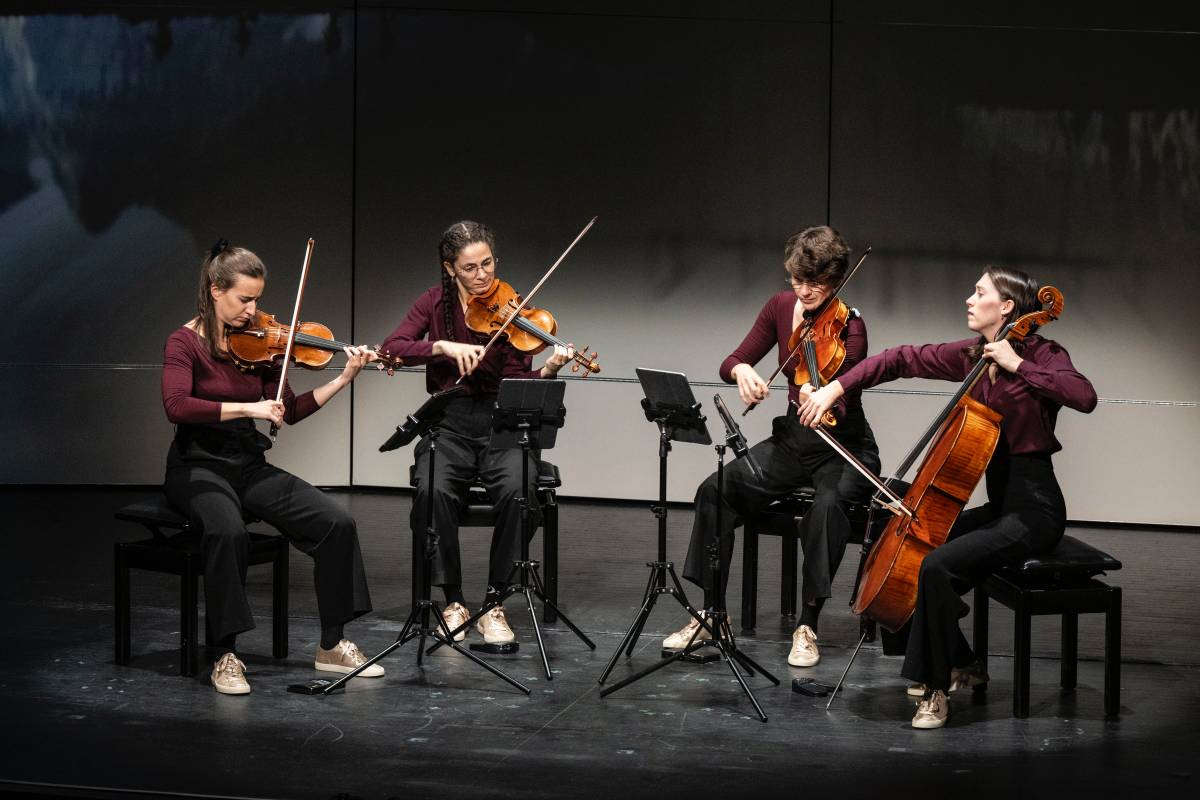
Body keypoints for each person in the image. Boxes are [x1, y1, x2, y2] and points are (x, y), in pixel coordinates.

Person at [799, 265, 1097, 729]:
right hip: (1000, 505)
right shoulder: (972, 356)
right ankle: (963, 663)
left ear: (1008, 307)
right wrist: (836, 386)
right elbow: (899, 358)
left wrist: (1019, 365)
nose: (969, 300)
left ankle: (935, 692)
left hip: (1035, 509)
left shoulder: (1045, 352)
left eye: (979, 293)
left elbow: (1084, 396)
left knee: (937, 567)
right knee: (909, 554)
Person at [162, 240, 382, 695]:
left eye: (257, 298)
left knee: (336, 522)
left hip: (246, 466)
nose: (253, 310)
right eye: (245, 298)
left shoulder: (259, 346)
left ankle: (331, 643)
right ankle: (224, 653)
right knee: (227, 532)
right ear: (216, 289)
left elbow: (291, 409)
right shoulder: (184, 342)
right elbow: (178, 406)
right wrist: (248, 408)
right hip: (197, 468)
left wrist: (343, 378)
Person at [662, 225, 881, 668]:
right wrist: (743, 370)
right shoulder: (782, 306)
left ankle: (808, 623)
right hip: (793, 440)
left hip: (843, 443)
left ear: (835, 280)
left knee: (827, 509)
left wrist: (821, 392)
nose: (802, 291)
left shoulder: (851, 327)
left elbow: (847, 389)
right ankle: (712, 614)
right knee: (715, 489)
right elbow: (731, 360)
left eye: (814, 284)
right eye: (797, 280)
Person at [379, 221, 573, 646]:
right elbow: (392, 348)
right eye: (471, 268)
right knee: (432, 489)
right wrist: (442, 346)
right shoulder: (431, 304)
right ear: (451, 269)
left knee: (521, 489)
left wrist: (550, 371)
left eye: (487, 263)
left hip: (500, 420)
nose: (483, 275)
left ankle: (494, 603)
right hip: (448, 422)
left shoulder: (511, 306)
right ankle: (453, 601)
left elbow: (521, 377)